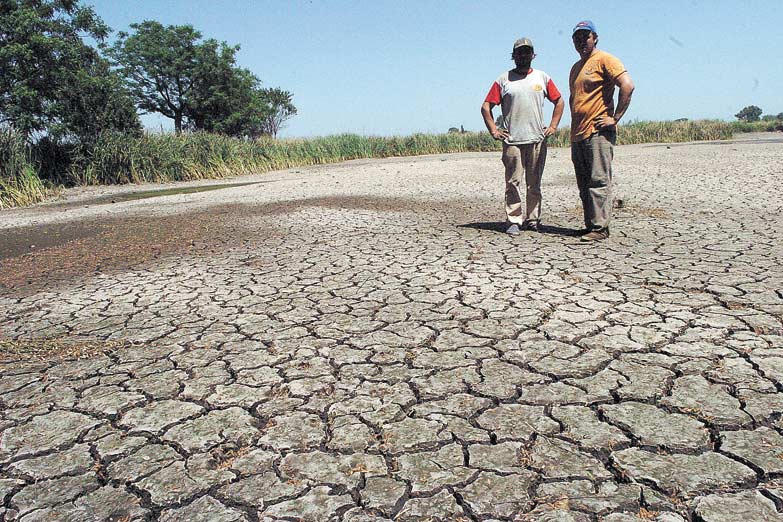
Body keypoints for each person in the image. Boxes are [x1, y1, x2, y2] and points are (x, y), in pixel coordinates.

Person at [481, 37, 565, 236]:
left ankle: (533, 219)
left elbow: (559, 101)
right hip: (512, 141)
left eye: (527, 52)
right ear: (513, 56)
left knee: (534, 183)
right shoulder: (504, 80)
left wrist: (553, 126)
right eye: (519, 52)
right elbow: (486, 107)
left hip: (537, 140)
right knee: (513, 182)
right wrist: (494, 130)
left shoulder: (542, 78)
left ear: (533, 55)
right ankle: (513, 220)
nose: (523, 55)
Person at [569, 20, 635, 241]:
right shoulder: (576, 67)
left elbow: (627, 85)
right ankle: (591, 224)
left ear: (595, 38)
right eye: (577, 38)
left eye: (586, 37)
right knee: (584, 184)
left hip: (597, 132)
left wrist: (614, 118)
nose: (581, 42)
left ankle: (600, 228)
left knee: (598, 181)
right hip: (578, 134)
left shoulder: (605, 59)